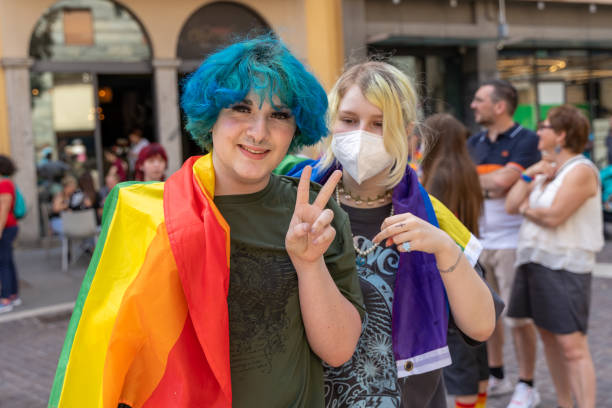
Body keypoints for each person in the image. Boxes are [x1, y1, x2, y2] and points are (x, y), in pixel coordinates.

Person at [48, 36, 364, 408]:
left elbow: (339, 350)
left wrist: (309, 264)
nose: (259, 132)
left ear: (297, 128)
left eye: (279, 115)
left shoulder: (316, 213)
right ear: (210, 116)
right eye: (241, 109)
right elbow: (107, 355)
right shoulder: (150, 216)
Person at [284, 61, 497, 407]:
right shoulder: (293, 197)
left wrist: (445, 249)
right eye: (349, 120)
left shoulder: (431, 213)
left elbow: (481, 325)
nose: (361, 134)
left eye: (380, 124)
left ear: (407, 132)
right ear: (332, 121)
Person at [505, 105, 603, 408]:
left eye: (544, 126)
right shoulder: (546, 169)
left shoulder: (582, 170)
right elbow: (510, 205)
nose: (538, 132)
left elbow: (554, 217)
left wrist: (526, 210)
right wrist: (527, 176)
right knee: (548, 336)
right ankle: (564, 403)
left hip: (565, 265)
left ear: (560, 134)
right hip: (533, 260)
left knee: (572, 344)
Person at [467, 79, 541, 407]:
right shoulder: (474, 142)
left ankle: (528, 384)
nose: (473, 105)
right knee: (488, 315)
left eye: (479, 100)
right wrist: (491, 184)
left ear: (499, 106)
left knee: (519, 319)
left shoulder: (527, 140)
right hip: (479, 241)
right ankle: (496, 374)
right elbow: (478, 183)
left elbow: (505, 182)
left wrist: (487, 182)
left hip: (514, 241)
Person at [421, 113, 489, 408]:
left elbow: (434, 223)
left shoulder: (440, 173)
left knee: (459, 360)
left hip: (450, 269)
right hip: (471, 262)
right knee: (476, 353)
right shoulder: (466, 168)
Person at [0, 155, 21, 313]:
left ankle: (6, 299)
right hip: (8, 227)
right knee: (8, 261)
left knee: (4, 263)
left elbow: (4, 209)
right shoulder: (6, 183)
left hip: (6, 227)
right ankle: (13, 295)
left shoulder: (5, 184)